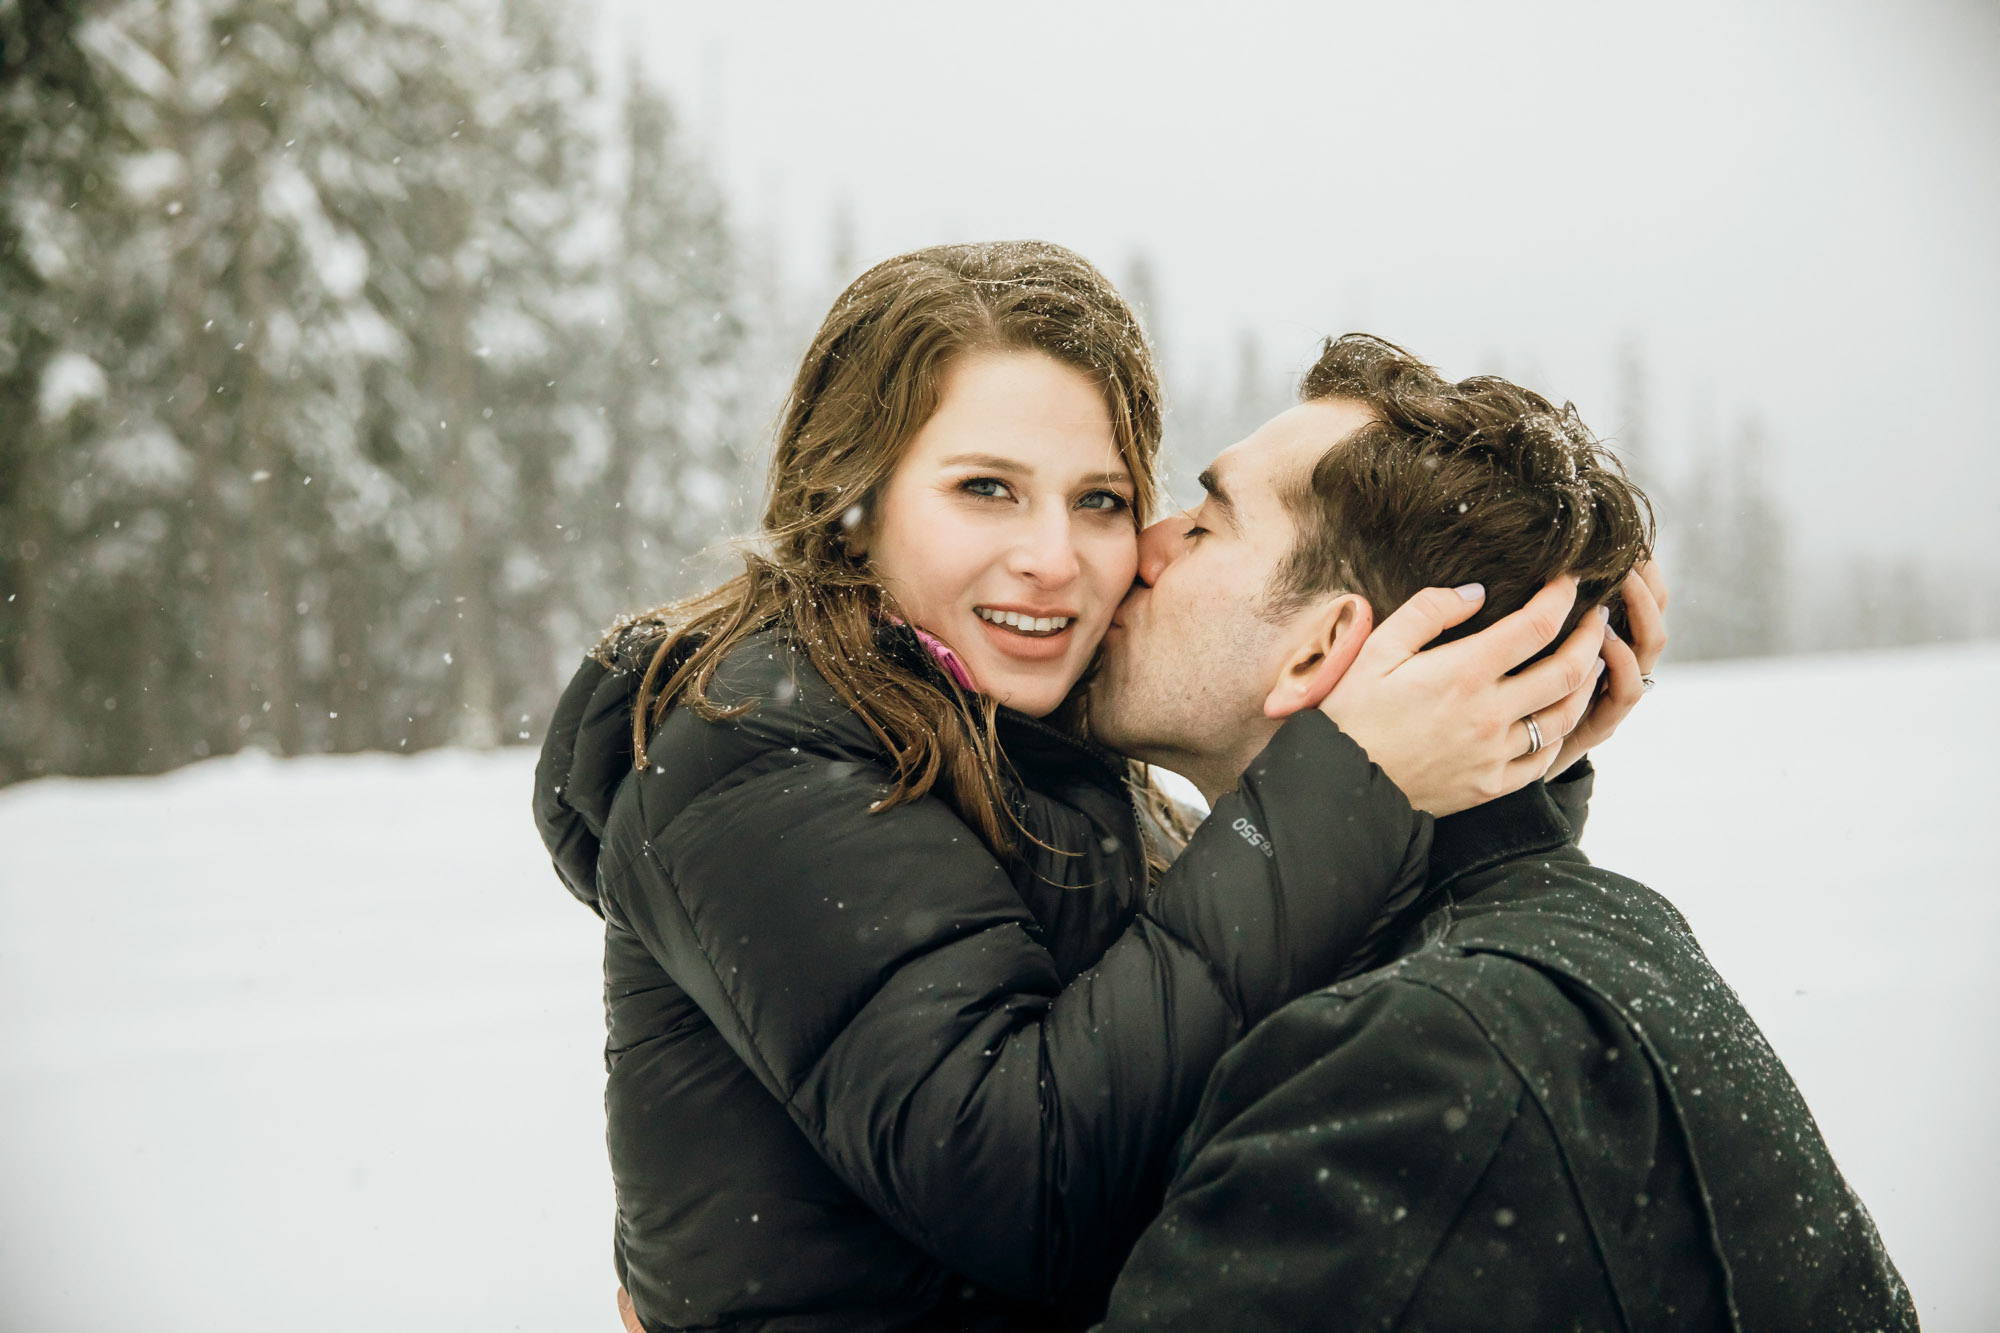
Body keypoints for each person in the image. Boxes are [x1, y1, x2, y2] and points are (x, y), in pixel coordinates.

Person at [533, 242, 1647, 1332]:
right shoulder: (759, 734)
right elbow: (1020, 1176)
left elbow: (1256, 1012)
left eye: (1103, 500)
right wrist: (1356, 779)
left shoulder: (1056, 754)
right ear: (850, 499)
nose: (1055, 557)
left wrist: (1494, 760)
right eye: (986, 490)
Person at [1089, 334, 1917, 1331]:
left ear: (1315, 650)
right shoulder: (1563, 939)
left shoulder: (1422, 1050)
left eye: (1205, 525)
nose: (1143, 544)